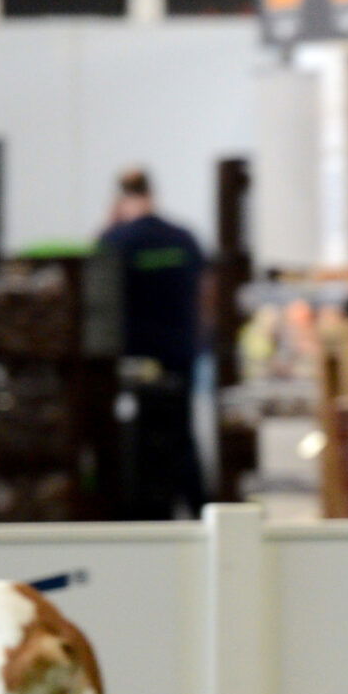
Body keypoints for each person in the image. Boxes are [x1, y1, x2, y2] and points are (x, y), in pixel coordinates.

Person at [95, 168, 208, 520]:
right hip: (179, 352)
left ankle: (142, 515)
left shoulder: (115, 240)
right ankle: (200, 509)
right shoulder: (183, 238)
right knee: (182, 434)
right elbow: (205, 291)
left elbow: (96, 293)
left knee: (136, 438)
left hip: (133, 359)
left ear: (120, 198)